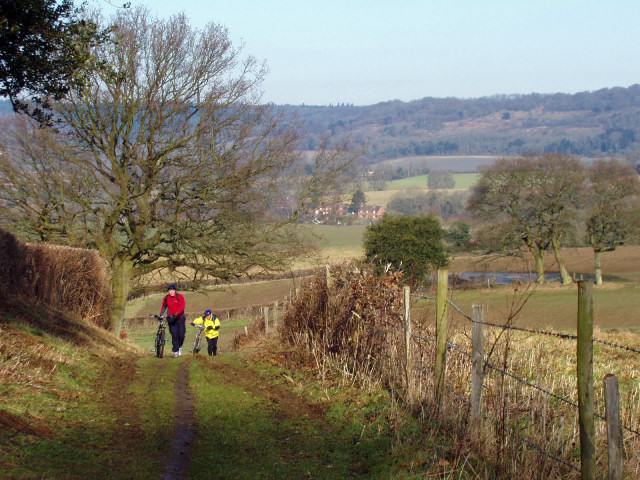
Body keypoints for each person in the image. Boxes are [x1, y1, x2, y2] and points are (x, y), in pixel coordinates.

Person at [159, 283, 186, 358]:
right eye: (170, 290)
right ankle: (176, 351)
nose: (171, 292)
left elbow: (182, 306)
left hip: (180, 318)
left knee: (181, 334)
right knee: (174, 335)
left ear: (175, 290)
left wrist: (177, 313)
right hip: (171, 319)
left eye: (173, 290)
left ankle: (179, 346)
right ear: (168, 291)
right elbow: (164, 307)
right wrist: (160, 315)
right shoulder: (166, 298)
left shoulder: (180, 297)